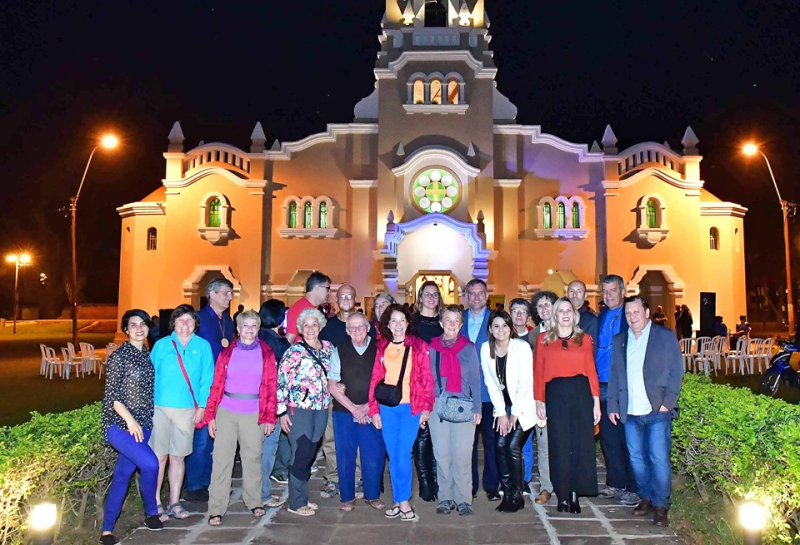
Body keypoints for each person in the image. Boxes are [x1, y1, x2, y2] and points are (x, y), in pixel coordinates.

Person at [608, 296, 685, 527]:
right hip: (630, 412)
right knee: (637, 460)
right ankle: (646, 498)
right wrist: (613, 404)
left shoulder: (664, 336)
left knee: (659, 459)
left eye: (636, 312)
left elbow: (677, 370)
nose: (632, 317)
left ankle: (661, 506)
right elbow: (615, 375)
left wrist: (667, 402)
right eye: (628, 313)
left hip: (656, 410)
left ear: (647, 312)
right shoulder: (621, 340)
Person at [205, 311, 277, 526]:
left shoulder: (267, 354)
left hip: (254, 412)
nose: (249, 329)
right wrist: (210, 416)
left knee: (253, 458)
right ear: (238, 328)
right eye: (245, 325)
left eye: (253, 325)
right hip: (226, 411)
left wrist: (269, 417)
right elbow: (216, 385)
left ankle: (254, 500)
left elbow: (271, 387)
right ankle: (216, 508)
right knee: (221, 460)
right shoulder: (227, 353)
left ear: (258, 328)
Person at [100, 310, 163, 545]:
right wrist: (130, 420)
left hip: (143, 424)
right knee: (151, 464)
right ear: (126, 330)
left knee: (123, 475)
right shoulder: (120, 356)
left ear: (148, 327)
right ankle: (152, 513)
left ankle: (107, 530)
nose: (138, 328)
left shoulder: (147, 355)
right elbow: (113, 397)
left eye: (142, 324)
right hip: (120, 424)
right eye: (132, 324)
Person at [534, 297, 601, 514]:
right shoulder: (544, 339)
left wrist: (596, 402)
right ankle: (562, 494)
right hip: (555, 394)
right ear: (555, 315)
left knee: (579, 444)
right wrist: (539, 400)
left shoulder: (585, 339)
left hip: (580, 392)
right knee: (559, 444)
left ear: (574, 314)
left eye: (568, 310)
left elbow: (591, 370)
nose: (565, 314)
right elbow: (539, 373)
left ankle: (575, 493)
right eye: (560, 311)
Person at [368, 303, 434, 521]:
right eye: (393, 321)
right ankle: (398, 500)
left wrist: (426, 407)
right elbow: (375, 381)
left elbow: (426, 379)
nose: (398, 325)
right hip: (387, 408)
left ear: (408, 323)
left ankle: (403, 501)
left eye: (402, 321)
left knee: (403, 453)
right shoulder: (381, 348)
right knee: (393, 454)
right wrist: (374, 410)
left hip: (410, 407)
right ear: (387, 324)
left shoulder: (418, 346)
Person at [149, 305, 215, 520]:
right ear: (173, 324)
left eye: (189, 320)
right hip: (160, 408)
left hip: (187, 409)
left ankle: (175, 503)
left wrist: (202, 407)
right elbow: (151, 375)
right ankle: (155, 503)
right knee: (159, 457)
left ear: (195, 323)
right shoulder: (161, 345)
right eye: (180, 321)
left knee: (178, 457)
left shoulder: (202, 346)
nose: (185, 325)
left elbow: (208, 378)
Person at [328, 312, 387, 512]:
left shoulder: (380, 349)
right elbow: (333, 385)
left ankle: (372, 495)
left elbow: (386, 381)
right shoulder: (340, 350)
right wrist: (354, 409)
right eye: (351, 327)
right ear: (346, 330)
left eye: (360, 326)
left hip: (373, 411)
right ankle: (347, 497)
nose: (356, 331)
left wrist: (367, 408)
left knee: (374, 455)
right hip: (344, 411)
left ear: (369, 327)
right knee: (345, 456)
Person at [277, 308, 333, 516]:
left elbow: (335, 374)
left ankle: (302, 497)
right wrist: (281, 412)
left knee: (309, 453)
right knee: (300, 453)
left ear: (320, 326)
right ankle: (296, 502)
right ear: (300, 328)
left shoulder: (328, 348)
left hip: (321, 408)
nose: (310, 329)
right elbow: (281, 381)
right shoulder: (294, 351)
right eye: (306, 325)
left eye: (314, 324)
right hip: (298, 409)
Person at [481, 310, 537, 513]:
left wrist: (515, 412)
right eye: (496, 326)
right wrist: (502, 413)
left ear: (510, 327)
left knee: (513, 445)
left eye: (505, 325)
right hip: (502, 408)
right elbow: (490, 383)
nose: (501, 330)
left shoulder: (521, 348)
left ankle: (517, 494)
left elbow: (526, 382)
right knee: (499, 444)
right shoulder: (486, 348)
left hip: (524, 406)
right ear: (490, 329)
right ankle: (507, 492)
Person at [428, 305, 482, 516]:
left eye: (455, 320)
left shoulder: (468, 347)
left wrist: (477, 407)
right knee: (441, 454)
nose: (451, 324)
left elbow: (476, 380)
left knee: (461, 454)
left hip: (463, 405)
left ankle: (463, 499)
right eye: (447, 320)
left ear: (461, 324)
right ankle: (445, 497)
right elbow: (427, 378)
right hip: (437, 406)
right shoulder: (432, 347)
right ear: (441, 322)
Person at [186, 278, 235, 502]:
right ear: (212, 294)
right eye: (226, 293)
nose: (230, 297)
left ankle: (209, 481)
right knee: (202, 437)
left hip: (223, 384)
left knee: (216, 437)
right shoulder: (198, 319)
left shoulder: (227, 320)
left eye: (231, 293)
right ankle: (195, 484)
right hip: (204, 384)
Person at [595, 275, 638, 506]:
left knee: (627, 438)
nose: (608, 295)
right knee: (608, 438)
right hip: (602, 385)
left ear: (622, 291)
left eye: (612, 290)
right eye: (605, 291)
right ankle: (615, 482)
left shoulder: (629, 314)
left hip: (622, 385)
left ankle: (633, 487)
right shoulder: (601, 316)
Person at [318, 283, 360, 499]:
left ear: (355, 299)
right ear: (336, 299)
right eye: (342, 296)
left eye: (349, 296)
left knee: (358, 437)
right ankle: (333, 478)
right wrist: (333, 383)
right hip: (333, 392)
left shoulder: (362, 325)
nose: (345, 299)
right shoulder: (327, 327)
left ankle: (357, 478)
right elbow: (323, 359)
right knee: (331, 437)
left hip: (358, 393)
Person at [461, 278, 499, 501]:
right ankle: (470, 485)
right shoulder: (457, 321)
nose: (476, 297)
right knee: (468, 444)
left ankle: (492, 485)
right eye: (471, 293)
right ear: (466, 295)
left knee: (492, 442)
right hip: (465, 394)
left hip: (489, 392)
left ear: (487, 295)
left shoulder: (496, 321)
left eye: (480, 293)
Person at [410, 281, 444, 502]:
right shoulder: (411, 324)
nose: (431, 298)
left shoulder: (444, 324)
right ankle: (424, 482)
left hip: (441, 383)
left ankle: (436, 481)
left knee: (437, 436)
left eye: (435, 294)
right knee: (421, 435)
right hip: (417, 384)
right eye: (427, 294)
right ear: (420, 297)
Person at [258, 299, 292, 503]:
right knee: (268, 448)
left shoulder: (256, 336)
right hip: (272, 400)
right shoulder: (277, 342)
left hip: (254, 400)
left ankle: (257, 490)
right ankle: (262, 493)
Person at [526, 291, 558, 505]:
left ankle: (566, 484)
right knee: (544, 444)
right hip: (542, 396)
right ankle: (547, 486)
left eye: (548, 304)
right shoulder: (533, 336)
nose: (544, 309)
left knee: (564, 442)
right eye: (540, 306)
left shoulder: (568, 329)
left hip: (564, 395)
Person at [508, 298, 535, 498]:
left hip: (528, 399)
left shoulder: (534, 338)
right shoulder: (503, 336)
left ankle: (523, 480)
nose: (518, 315)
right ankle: (509, 479)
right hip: (507, 398)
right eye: (515, 310)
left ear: (528, 315)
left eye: (522, 311)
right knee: (507, 440)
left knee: (524, 442)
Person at [286, 271, 331, 344]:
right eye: (327, 289)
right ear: (317, 287)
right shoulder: (299, 309)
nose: (329, 293)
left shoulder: (309, 308)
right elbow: (289, 340)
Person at [568, 280, 598, 347]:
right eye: (571, 291)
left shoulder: (591, 320)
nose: (574, 295)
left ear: (585, 295)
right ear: (567, 294)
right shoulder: (562, 317)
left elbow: (592, 349)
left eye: (579, 291)